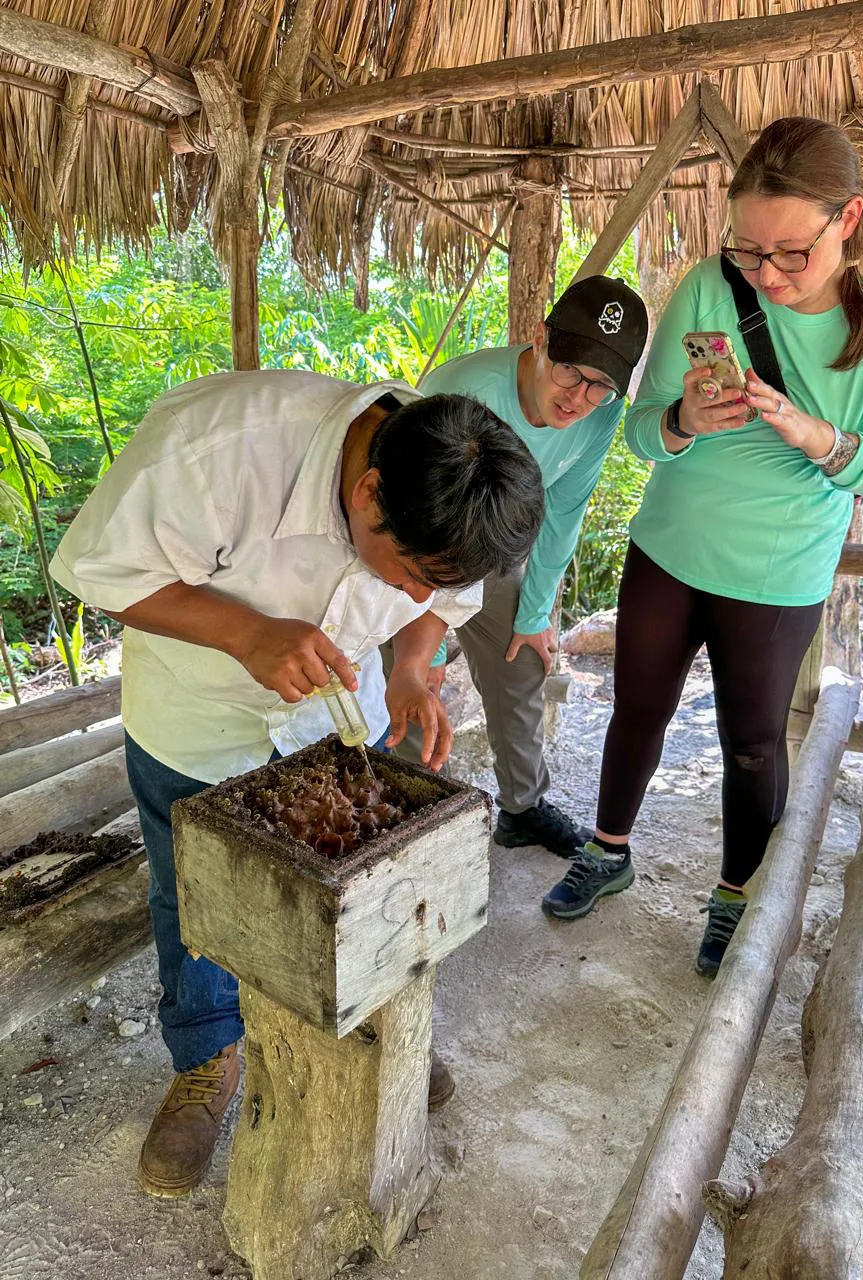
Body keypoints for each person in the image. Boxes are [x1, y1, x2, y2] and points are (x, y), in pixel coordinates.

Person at [50, 370, 544, 1196]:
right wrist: (245, 631)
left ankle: (370, 1022)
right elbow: (96, 567)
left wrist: (413, 667)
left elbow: (440, 602)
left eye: (438, 580)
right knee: (193, 892)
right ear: (367, 490)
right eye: (410, 570)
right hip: (196, 716)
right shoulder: (220, 452)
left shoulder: (455, 499)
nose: (421, 594)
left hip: (329, 720)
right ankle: (208, 1056)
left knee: (355, 875)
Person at [542, 117, 863, 978]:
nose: (764, 275)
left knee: (754, 743)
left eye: (790, 254)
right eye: (747, 251)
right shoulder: (708, 283)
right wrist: (683, 421)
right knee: (636, 709)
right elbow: (641, 434)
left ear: (849, 219)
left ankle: (736, 896)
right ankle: (608, 851)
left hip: (779, 568)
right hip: (671, 544)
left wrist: (813, 434)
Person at [405, 276, 648, 857]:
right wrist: (430, 646)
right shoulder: (462, 390)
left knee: (522, 669)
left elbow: (565, 509)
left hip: (495, 555)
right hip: (418, 555)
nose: (578, 398)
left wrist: (534, 611)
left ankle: (522, 808)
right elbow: (410, 522)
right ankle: (414, 820)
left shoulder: (600, 414)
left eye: (600, 387)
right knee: (418, 687)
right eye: (570, 370)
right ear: (540, 339)